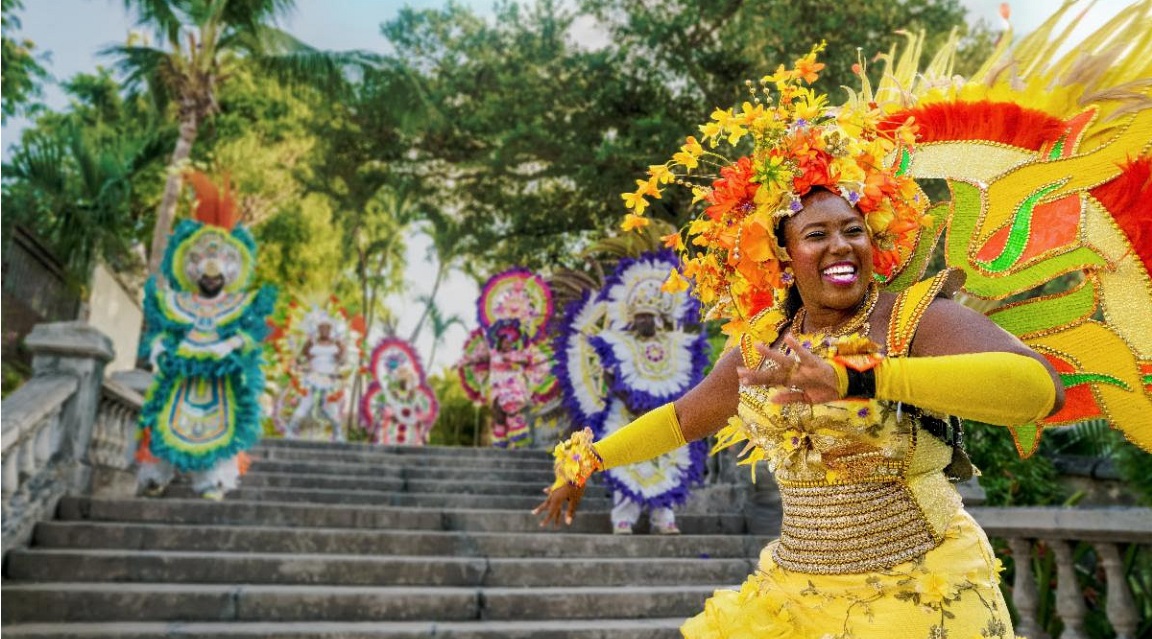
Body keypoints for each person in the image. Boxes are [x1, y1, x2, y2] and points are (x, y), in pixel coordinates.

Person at [529, 15, 1152, 630]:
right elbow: (684, 417)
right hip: (793, 598)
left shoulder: (913, 317)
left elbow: (1039, 388)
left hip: (919, 595)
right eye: (816, 234)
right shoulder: (767, 341)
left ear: (874, 239)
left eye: (854, 231)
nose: (840, 247)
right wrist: (590, 460)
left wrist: (862, 376)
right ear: (781, 253)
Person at [137, 172, 276, 501]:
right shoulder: (176, 303)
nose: (211, 275)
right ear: (191, 267)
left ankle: (214, 480)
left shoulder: (240, 305)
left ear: (230, 270)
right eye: (203, 263)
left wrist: (228, 346)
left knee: (221, 424)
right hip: (180, 373)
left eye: (219, 266)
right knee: (166, 418)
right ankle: (156, 475)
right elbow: (163, 332)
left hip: (220, 376)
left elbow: (250, 335)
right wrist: (158, 351)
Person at [553, 250, 710, 535]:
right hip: (625, 415)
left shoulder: (679, 345)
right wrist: (632, 401)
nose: (644, 321)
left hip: (665, 417)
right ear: (631, 317)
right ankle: (623, 519)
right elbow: (612, 377)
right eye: (639, 316)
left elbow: (688, 382)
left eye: (649, 316)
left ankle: (664, 519)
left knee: (669, 465)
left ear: (659, 317)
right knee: (626, 462)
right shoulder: (617, 342)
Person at [284, 317, 347, 440]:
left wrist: (342, 350)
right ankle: (290, 431)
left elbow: (342, 361)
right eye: (321, 327)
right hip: (312, 378)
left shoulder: (337, 343)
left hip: (329, 379)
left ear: (330, 330)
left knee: (331, 407)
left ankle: (338, 433)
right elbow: (301, 359)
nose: (324, 330)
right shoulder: (311, 343)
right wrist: (302, 366)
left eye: (327, 328)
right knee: (305, 404)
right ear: (318, 329)